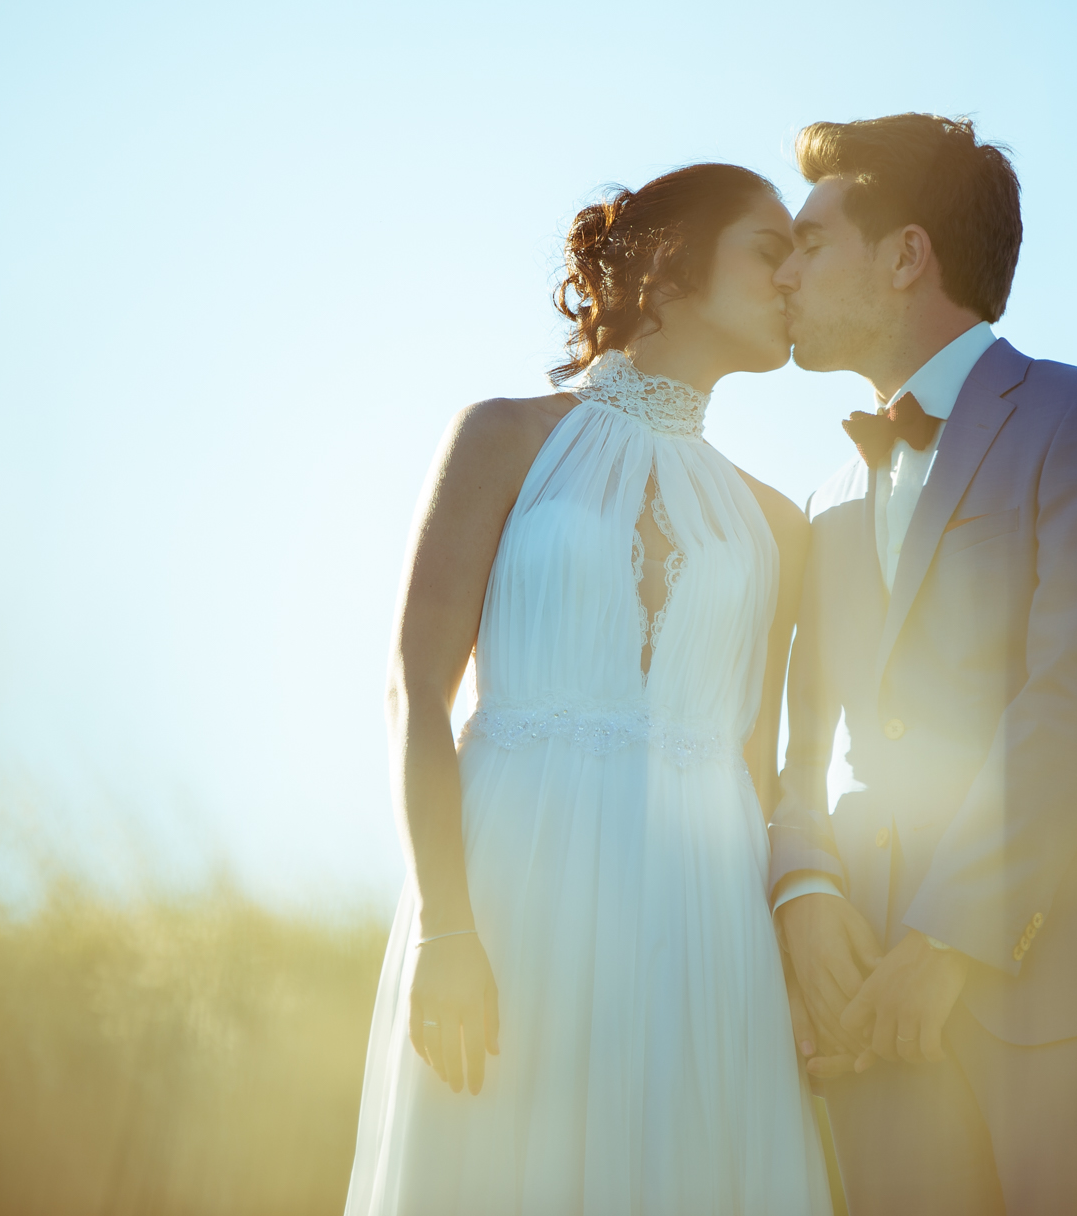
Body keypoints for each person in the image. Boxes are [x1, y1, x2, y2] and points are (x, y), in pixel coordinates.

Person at [770, 114, 1077, 1215]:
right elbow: (796, 746)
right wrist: (801, 887)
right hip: (874, 1017)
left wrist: (950, 932)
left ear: (902, 255)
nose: (782, 272)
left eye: (807, 242)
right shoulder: (819, 499)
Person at [342, 163, 834, 1215]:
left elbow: (753, 762)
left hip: (703, 929)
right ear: (666, 272)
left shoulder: (778, 527)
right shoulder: (505, 437)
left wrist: (781, 975)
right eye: (767, 247)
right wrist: (445, 927)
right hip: (513, 891)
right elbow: (413, 688)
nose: (795, 273)